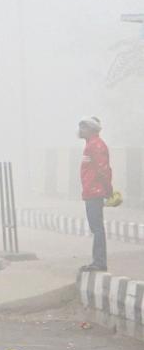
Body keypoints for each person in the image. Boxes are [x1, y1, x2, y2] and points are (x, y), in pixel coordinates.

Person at [78, 116, 112, 272]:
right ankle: (97, 261)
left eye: (83, 127)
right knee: (95, 227)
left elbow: (103, 169)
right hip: (91, 191)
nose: (80, 130)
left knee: (97, 228)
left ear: (91, 129)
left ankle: (99, 262)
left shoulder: (96, 145)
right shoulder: (91, 145)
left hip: (95, 191)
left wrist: (107, 188)